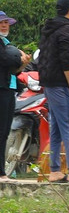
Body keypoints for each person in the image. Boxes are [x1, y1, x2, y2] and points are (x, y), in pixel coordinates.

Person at [37, 0, 69, 184]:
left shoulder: (50, 29)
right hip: (61, 84)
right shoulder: (66, 30)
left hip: (48, 83)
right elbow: (67, 60)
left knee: (55, 127)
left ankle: (55, 170)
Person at [0, 11, 28, 164]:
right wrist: (19, 57)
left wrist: (24, 62)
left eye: (6, 22)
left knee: (5, 130)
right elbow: (6, 60)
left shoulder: (6, 43)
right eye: (1, 22)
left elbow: (13, 71)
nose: (5, 25)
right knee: (2, 131)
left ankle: (2, 170)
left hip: (9, 89)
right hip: (2, 90)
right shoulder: (5, 47)